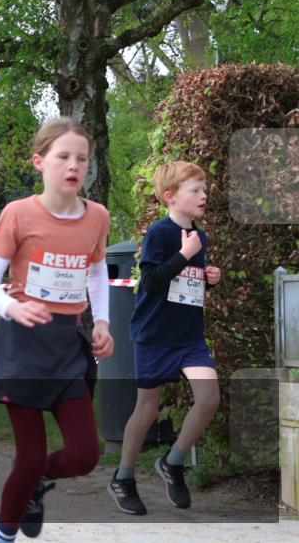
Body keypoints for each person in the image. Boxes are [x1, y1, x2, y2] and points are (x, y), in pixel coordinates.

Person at [0, 116, 114, 543]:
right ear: (40, 162)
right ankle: (4, 535)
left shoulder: (97, 217)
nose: (74, 166)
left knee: (85, 455)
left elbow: (96, 272)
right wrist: (13, 309)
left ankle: (37, 480)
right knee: (29, 456)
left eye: (82, 158)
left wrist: (103, 321)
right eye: (63, 157)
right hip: (23, 344)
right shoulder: (17, 213)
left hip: (68, 346)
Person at [107, 161, 221, 515]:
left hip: (189, 337)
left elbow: (185, 280)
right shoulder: (159, 233)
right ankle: (123, 477)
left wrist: (207, 274)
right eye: (195, 190)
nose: (204, 196)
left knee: (209, 399)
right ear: (171, 197)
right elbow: (153, 281)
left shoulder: (198, 236)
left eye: (204, 190)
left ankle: (172, 463)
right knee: (147, 409)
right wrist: (184, 256)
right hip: (155, 335)